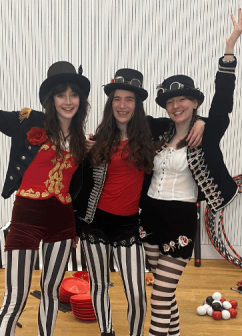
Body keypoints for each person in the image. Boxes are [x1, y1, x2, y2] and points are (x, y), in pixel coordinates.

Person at [0, 35, 89, 336]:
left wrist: (77, 227)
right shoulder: (28, 121)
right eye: (61, 94)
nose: (67, 101)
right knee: (16, 296)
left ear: (80, 99)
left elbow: (78, 188)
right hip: (27, 217)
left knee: (50, 293)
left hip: (62, 222)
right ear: (50, 97)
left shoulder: (81, 138)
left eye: (73, 95)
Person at [139, 7, 242, 336]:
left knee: (159, 298)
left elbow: (224, 99)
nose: (176, 106)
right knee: (164, 292)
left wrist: (229, 48)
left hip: (179, 218)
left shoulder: (208, 129)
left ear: (193, 101)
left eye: (183, 100)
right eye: (170, 102)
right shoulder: (160, 131)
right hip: (148, 217)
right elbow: (128, 121)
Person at [73, 69, 204, 336]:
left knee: (137, 290)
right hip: (94, 224)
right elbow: (82, 186)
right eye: (117, 99)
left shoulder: (152, 132)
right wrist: (75, 225)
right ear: (110, 102)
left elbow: (183, 118)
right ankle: (106, 331)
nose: (122, 105)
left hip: (130, 225)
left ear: (138, 103)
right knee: (98, 284)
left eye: (129, 99)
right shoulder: (97, 140)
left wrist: (203, 121)